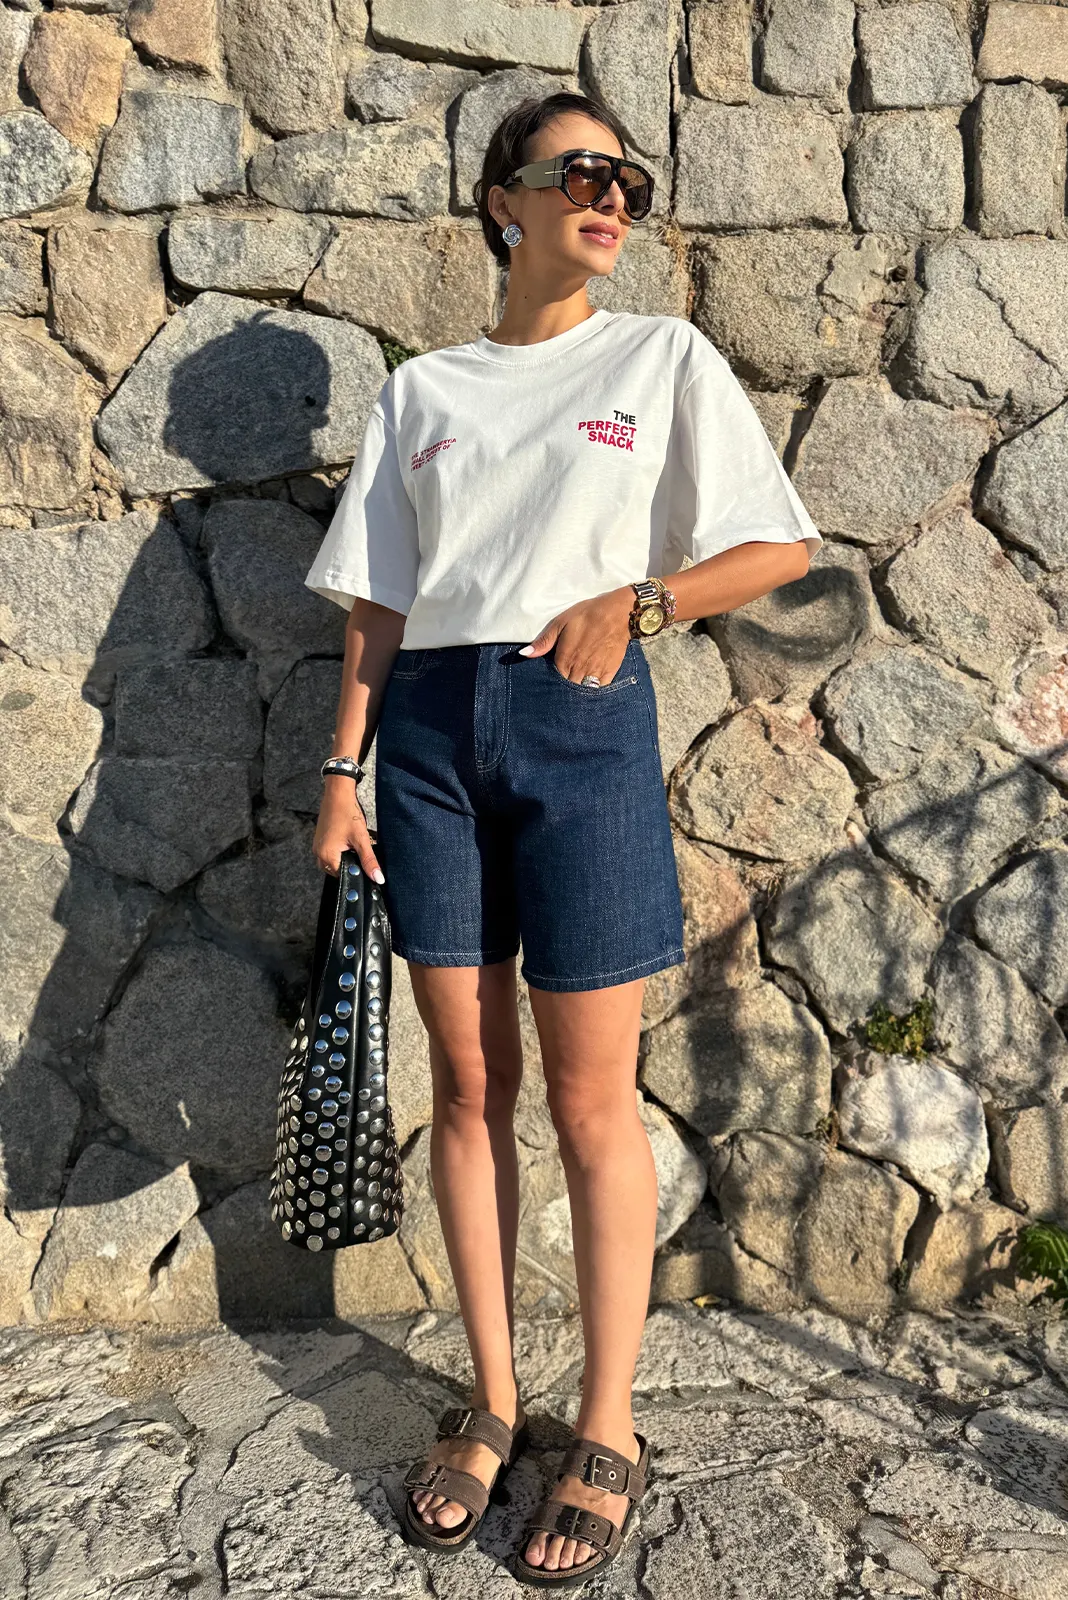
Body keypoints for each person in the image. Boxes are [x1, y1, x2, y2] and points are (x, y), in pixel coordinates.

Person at [306, 90, 822, 1589]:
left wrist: (642, 602)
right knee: (469, 1085)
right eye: (579, 173)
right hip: (427, 742)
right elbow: (382, 603)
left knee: (593, 1098)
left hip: (582, 722)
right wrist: (340, 772)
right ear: (503, 201)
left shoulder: (659, 359)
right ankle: (491, 1400)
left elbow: (775, 543)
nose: (609, 200)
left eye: (627, 182)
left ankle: (606, 1423)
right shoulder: (426, 392)